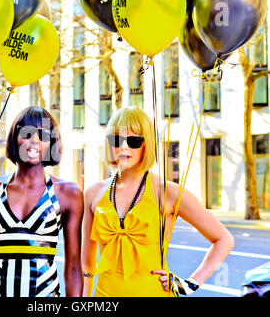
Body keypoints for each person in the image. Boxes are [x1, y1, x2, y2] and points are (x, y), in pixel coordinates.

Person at [81, 106, 234, 297]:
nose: (123, 147)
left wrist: (190, 284)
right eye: (116, 140)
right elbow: (86, 263)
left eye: (134, 141)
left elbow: (224, 240)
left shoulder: (167, 192)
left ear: (147, 143)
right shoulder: (93, 193)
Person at [0, 106, 83, 297]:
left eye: (43, 135)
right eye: (27, 133)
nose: (34, 141)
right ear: (15, 138)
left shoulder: (68, 194)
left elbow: (73, 269)